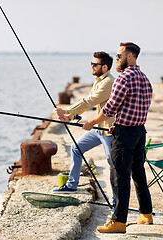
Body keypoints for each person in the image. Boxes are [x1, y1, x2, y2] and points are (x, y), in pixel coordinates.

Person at [82, 42, 153, 233]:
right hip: (139, 132)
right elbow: (139, 107)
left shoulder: (123, 78)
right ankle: (146, 213)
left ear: (130, 56)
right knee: (138, 173)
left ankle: (119, 221)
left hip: (125, 135)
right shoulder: (144, 78)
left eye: (119, 56)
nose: (117, 59)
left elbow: (110, 108)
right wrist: (118, 123)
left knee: (119, 177)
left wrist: (92, 123)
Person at [52, 51, 117, 207]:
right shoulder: (99, 81)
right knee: (76, 148)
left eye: (95, 64)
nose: (92, 67)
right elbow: (88, 102)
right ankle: (71, 185)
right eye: (91, 64)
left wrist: (67, 111)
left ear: (105, 67)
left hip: (108, 130)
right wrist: (70, 115)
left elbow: (90, 101)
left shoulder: (108, 82)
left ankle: (117, 202)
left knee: (113, 165)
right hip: (99, 128)